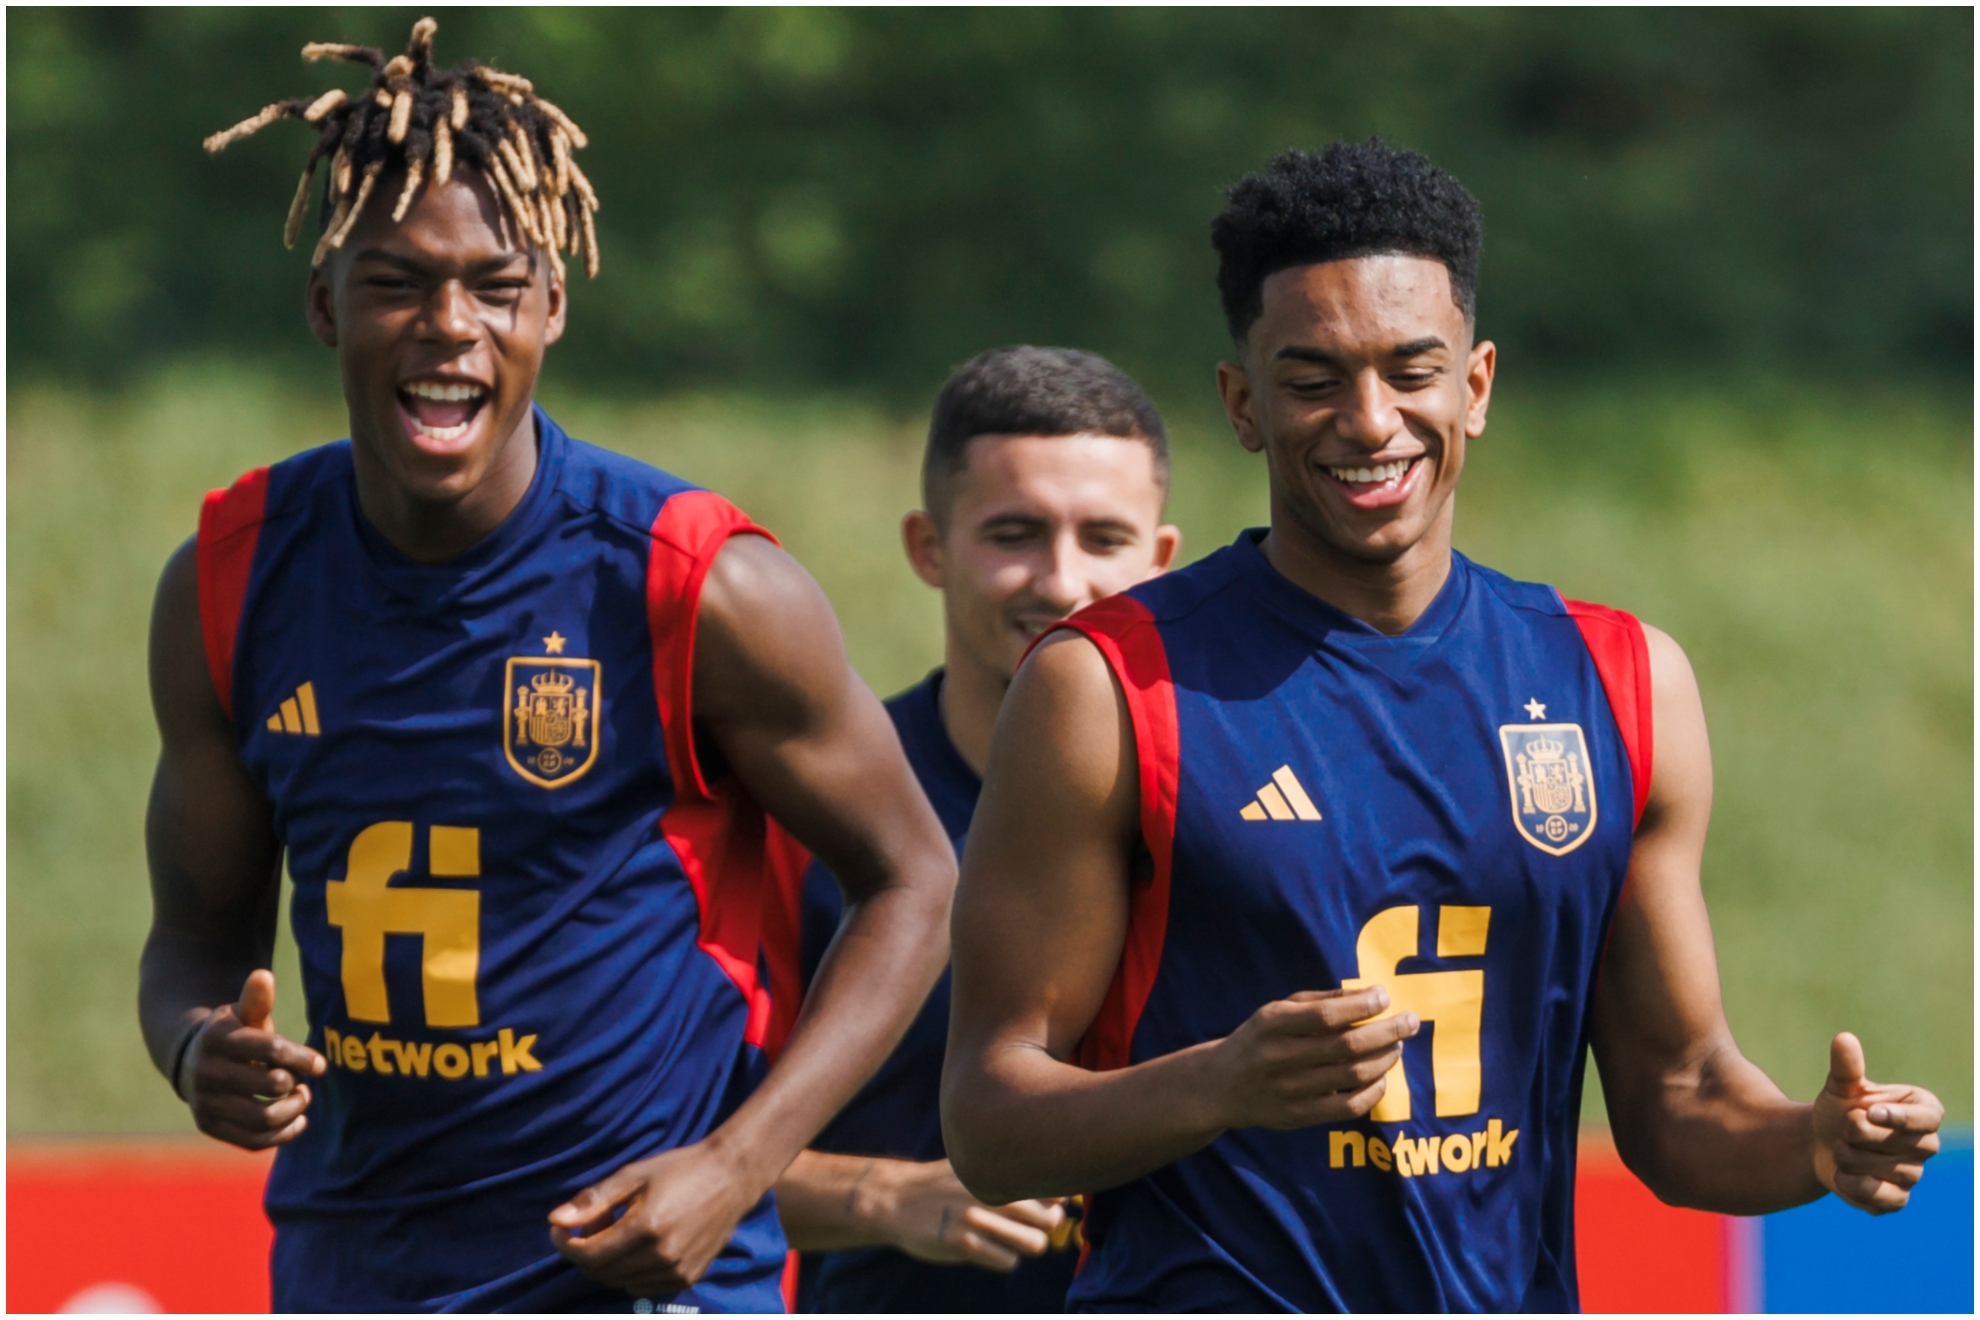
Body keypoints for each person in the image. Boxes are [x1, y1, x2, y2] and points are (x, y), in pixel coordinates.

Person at [939, 141, 1946, 1312]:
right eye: (1311, 379)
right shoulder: (1109, 685)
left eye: (1410, 370)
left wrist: (1815, 1148)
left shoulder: (1620, 681)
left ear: (1475, 384)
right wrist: (1219, 1083)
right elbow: (991, 1118)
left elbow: (1680, 1101)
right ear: (1242, 405)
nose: (1369, 422)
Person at [140, 20, 954, 1312]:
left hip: (638, 1277)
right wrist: (196, 1053)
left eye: (495, 285)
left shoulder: (696, 582)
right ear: (323, 304)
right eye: (398, 280)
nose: (449, 326)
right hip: (354, 1273)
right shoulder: (230, 581)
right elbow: (191, 940)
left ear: (553, 307)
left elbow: (917, 880)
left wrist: (737, 1167)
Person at [768, 347, 1181, 1312]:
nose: (1062, 579)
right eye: (1015, 533)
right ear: (928, 545)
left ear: (1161, 560)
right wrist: (882, 1197)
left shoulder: (1242, 813)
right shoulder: (816, 815)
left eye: (1104, 537)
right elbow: (673, 1157)